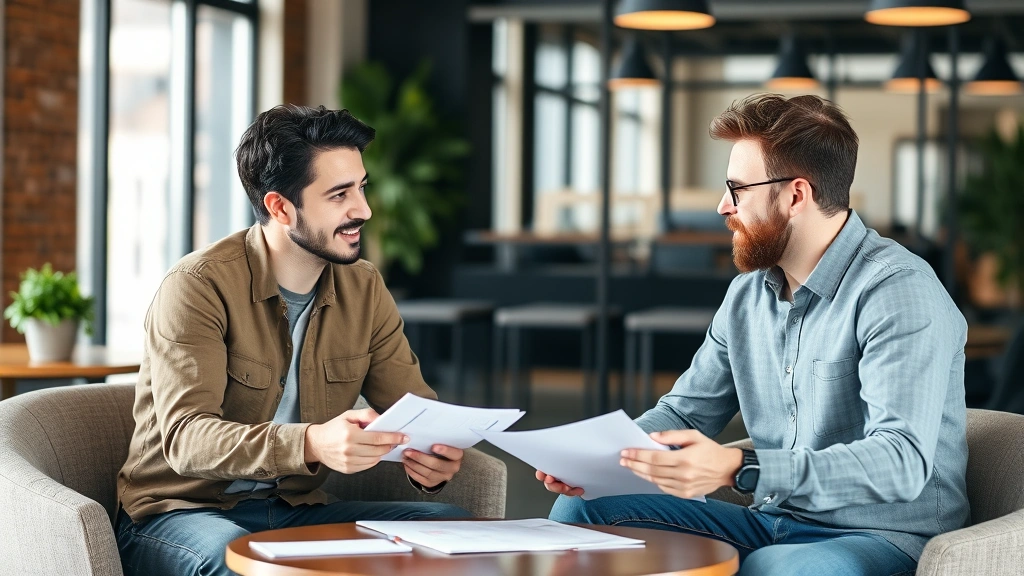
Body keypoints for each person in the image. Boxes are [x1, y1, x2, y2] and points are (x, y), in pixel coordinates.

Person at [542, 93, 968, 576]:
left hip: (882, 536)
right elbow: (685, 412)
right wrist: (598, 459)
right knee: (582, 513)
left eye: (738, 189)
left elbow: (900, 461)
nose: (723, 207)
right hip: (773, 521)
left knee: (779, 569)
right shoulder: (747, 296)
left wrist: (740, 468)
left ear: (795, 195)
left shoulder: (897, 291)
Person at [115, 105, 470, 576]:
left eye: (361, 187)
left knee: (454, 534)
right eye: (339, 194)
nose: (363, 210)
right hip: (181, 512)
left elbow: (416, 409)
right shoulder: (198, 285)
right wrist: (312, 443)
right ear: (280, 207)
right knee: (239, 562)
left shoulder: (364, 288)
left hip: (294, 510)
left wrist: (433, 457)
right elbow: (187, 440)